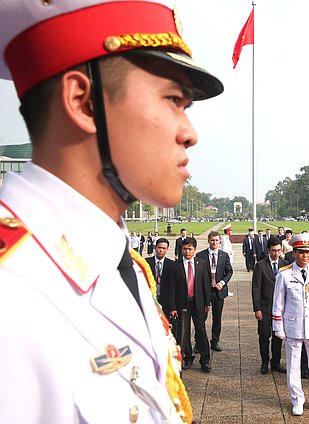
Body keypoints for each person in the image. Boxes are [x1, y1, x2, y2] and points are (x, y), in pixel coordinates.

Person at [0, 1, 223, 421]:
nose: (189, 133)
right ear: (83, 102)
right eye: (173, 99)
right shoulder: (10, 297)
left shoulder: (121, 262)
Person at [272, 233, 309, 416]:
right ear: (294, 253)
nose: (304, 256)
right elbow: (278, 303)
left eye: (307, 252)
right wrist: (278, 327)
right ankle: (297, 399)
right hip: (293, 326)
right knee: (293, 365)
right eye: (300, 252)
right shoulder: (284, 275)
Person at [173, 237, 212, 372]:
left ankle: (205, 360)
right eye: (184, 249)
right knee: (185, 332)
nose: (187, 251)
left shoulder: (201, 263)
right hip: (183, 304)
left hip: (198, 303)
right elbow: (173, 288)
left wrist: (207, 303)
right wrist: (173, 307)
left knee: (201, 330)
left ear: (195, 250)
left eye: (190, 249)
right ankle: (188, 357)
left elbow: (206, 284)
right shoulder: (176, 265)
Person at [252, 237, 287, 374]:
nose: (276, 253)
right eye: (273, 251)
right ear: (268, 251)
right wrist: (257, 309)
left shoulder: (285, 265)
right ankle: (264, 361)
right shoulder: (261, 266)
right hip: (265, 308)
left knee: (278, 336)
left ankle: (276, 362)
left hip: (280, 309)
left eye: (278, 250)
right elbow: (256, 288)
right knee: (264, 336)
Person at [197, 231, 233, 352]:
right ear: (208, 241)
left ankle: (215, 341)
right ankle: (199, 343)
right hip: (205, 292)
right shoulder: (200, 255)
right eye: (212, 240)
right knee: (201, 318)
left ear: (220, 242)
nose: (214, 242)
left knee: (217, 318)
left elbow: (229, 271)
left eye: (217, 240)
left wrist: (222, 283)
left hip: (218, 291)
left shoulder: (224, 255)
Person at [145, 238, 176, 316]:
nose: (161, 250)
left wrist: (172, 307)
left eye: (164, 248)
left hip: (165, 301)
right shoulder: (146, 263)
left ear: (167, 249)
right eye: (159, 247)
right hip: (150, 300)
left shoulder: (172, 265)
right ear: (155, 248)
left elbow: (173, 287)